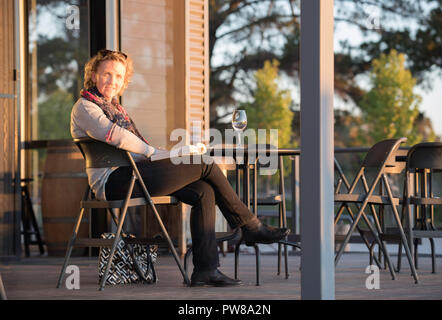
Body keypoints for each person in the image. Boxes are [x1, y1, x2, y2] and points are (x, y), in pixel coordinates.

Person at [71, 49, 290, 287]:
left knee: (204, 190)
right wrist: (157, 154)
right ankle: (250, 226)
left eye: (119, 76)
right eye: (107, 74)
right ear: (94, 75)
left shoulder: (114, 108)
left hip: (134, 173)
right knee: (205, 163)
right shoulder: (85, 107)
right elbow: (116, 137)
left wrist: (167, 154)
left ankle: (206, 270)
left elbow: (136, 147)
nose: (113, 81)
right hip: (115, 182)